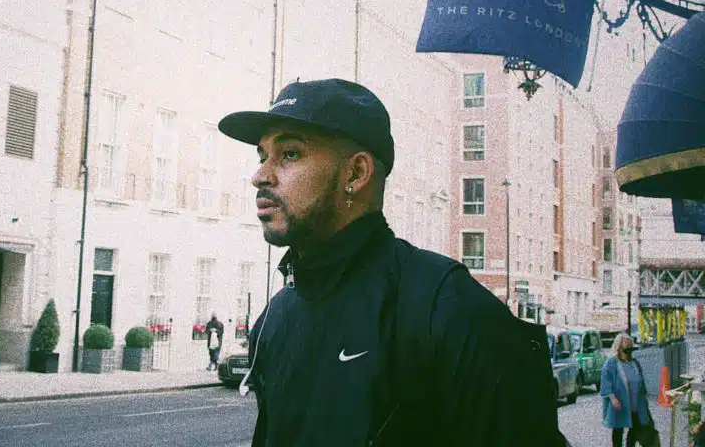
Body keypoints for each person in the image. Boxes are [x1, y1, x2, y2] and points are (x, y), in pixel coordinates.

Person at [218, 77, 567, 447]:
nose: (260, 176)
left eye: (289, 153)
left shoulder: (447, 307)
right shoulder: (275, 320)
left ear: (356, 173)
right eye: (262, 156)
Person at [600, 334, 655, 447]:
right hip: (620, 403)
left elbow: (641, 383)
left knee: (635, 429)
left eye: (631, 349)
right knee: (618, 430)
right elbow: (606, 383)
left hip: (635, 403)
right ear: (619, 349)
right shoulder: (611, 364)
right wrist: (613, 399)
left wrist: (644, 401)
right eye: (626, 349)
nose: (628, 353)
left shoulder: (635, 363)